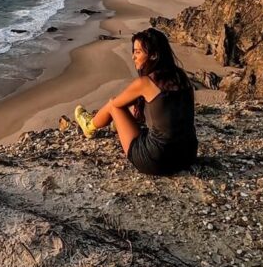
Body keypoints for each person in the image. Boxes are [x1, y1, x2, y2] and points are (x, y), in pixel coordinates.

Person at [74, 28, 197, 175]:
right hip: (187, 155)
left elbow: (116, 104)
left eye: (138, 52)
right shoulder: (181, 77)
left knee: (114, 105)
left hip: (158, 160)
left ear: (154, 55)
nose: (133, 57)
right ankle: (112, 124)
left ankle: (89, 125)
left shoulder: (146, 83)